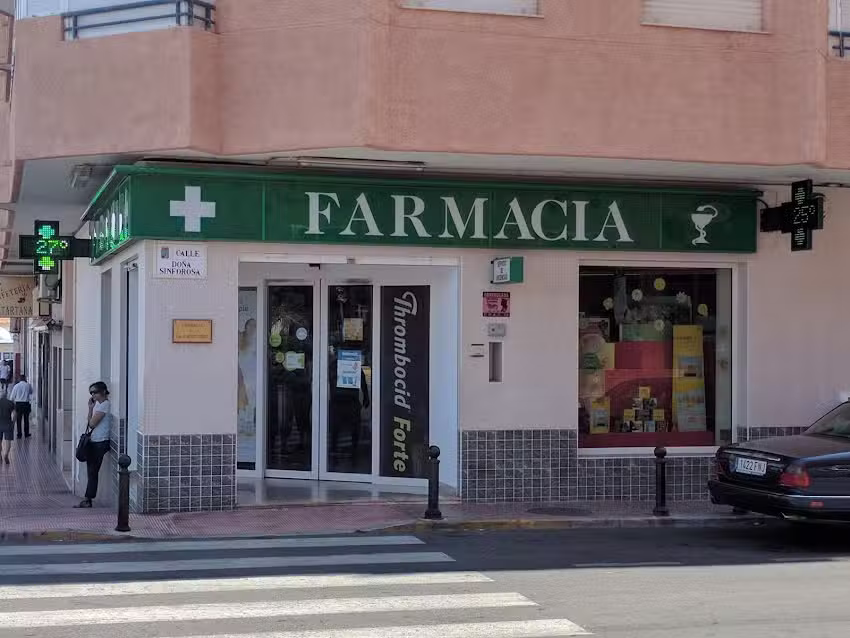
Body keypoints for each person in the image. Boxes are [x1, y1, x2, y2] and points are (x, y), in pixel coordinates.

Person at [75, 381, 113, 508]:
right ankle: (88, 498)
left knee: (92, 471)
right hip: (95, 441)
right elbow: (90, 422)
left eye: (95, 392)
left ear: (103, 392)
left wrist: (91, 411)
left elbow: (91, 424)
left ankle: (88, 499)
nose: (93, 395)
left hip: (100, 442)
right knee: (91, 470)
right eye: (91, 393)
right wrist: (91, 408)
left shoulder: (104, 405)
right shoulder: (99, 405)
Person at [8, 374, 33, 439]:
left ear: (19, 379)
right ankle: (26, 433)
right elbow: (31, 392)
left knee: (18, 420)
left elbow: (12, 397)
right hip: (26, 404)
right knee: (26, 419)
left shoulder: (16, 386)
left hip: (18, 404)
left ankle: (19, 434)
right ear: (25, 378)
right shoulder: (28, 385)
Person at [0, 392, 14, 464]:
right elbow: (14, 413)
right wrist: (13, 422)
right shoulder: (10, 403)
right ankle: (6, 454)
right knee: (8, 441)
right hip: (8, 424)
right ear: (7, 396)